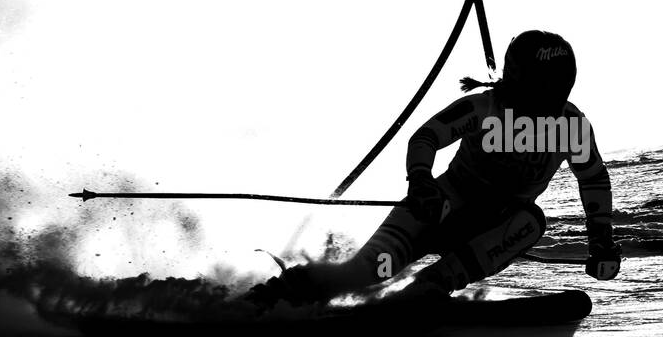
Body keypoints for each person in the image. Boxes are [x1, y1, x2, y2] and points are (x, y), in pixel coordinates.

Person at [249, 30, 620, 309]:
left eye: (556, 91)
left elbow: (593, 178)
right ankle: (267, 297)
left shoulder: (572, 126)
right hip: (437, 208)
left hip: (489, 229)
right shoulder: (483, 107)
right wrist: (422, 181)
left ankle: (432, 287)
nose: (545, 105)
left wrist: (601, 238)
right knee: (366, 273)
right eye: (539, 90)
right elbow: (426, 137)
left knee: (531, 221)